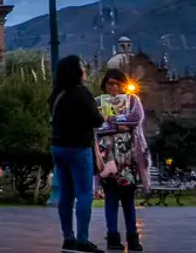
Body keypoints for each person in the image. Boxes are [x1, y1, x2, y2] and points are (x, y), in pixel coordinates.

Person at [50, 55, 105, 253]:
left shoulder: (55, 93)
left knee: (65, 193)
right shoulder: (82, 93)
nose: (85, 70)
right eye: (82, 67)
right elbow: (97, 120)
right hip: (78, 147)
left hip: (58, 147)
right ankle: (83, 238)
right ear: (76, 71)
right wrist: (102, 115)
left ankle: (68, 238)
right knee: (84, 193)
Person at [96, 69, 145, 251]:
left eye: (117, 83)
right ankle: (112, 236)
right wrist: (118, 127)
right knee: (111, 198)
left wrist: (111, 119)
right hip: (108, 158)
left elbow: (136, 118)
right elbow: (96, 125)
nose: (114, 87)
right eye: (110, 84)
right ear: (105, 85)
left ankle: (133, 238)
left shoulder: (133, 101)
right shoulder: (98, 102)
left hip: (129, 158)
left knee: (128, 199)